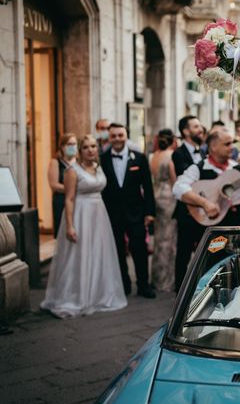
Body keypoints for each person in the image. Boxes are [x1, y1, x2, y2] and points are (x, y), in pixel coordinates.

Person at [173, 128, 240, 288]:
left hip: (235, 228)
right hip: (212, 230)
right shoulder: (198, 168)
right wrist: (205, 203)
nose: (232, 146)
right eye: (227, 144)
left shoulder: (238, 168)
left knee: (235, 266)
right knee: (208, 268)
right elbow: (178, 187)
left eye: (232, 142)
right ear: (213, 147)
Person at [41, 135, 127, 318]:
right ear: (80, 151)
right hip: (81, 214)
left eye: (93, 146)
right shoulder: (73, 170)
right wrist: (70, 225)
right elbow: (69, 199)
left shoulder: (98, 167)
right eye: (86, 147)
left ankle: (97, 295)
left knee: (97, 253)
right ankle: (76, 296)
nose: (90, 150)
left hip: (99, 215)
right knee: (79, 255)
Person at [101, 123, 156, 298]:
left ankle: (143, 286)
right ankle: (123, 285)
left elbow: (148, 187)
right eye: (114, 136)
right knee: (117, 250)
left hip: (136, 213)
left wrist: (150, 212)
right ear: (109, 138)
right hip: (112, 214)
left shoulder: (139, 158)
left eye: (120, 135)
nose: (117, 139)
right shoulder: (102, 159)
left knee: (139, 249)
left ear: (126, 136)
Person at [171, 115, 206, 292]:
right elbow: (187, 179)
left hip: (202, 211)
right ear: (186, 131)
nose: (200, 129)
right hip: (185, 210)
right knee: (183, 253)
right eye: (196, 126)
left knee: (202, 252)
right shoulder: (178, 154)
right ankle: (179, 291)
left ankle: (199, 288)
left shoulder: (203, 151)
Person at [149, 129, 177, 292]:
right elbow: (174, 181)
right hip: (168, 198)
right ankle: (167, 280)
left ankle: (157, 277)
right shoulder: (171, 156)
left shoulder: (154, 156)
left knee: (160, 239)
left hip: (156, 194)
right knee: (169, 240)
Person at [47, 133, 77, 237]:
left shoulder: (79, 162)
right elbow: (54, 185)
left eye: (74, 144)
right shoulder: (56, 162)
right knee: (62, 232)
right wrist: (72, 189)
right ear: (62, 146)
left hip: (77, 200)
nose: (72, 147)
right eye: (69, 144)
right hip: (61, 201)